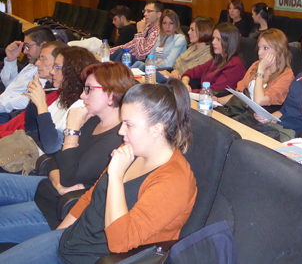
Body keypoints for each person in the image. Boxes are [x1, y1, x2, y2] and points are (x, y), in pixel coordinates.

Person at [0, 81, 197, 264]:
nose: (121, 131)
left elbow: (119, 243)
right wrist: (56, 238)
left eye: (128, 124)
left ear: (156, 130)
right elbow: (90, 197)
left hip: (93, 257)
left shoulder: (174, 182)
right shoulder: (134, 151)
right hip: (71, 240)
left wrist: (116, 177)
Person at [0, 62, 136, 245]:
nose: (82, 95)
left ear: (111, 95)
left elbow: (69, 178)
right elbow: (57, 159)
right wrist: (59, 185)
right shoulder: (93, 121)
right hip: (50, 191)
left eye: (89, 90)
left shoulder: (117, 139)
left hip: (58, 212)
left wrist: (72, 130)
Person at [24, 46, 99, 154]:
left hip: (44, 165)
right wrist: (34, 100)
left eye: (57, 67)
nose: (52, 72)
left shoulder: (82, 105)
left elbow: (52, 146)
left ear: (72, 71)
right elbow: (32, 130)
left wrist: (41, 104)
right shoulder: (64, 96)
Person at [0, 41, 67, 139]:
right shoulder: (48, 87)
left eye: (43, 59)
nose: (37, 63)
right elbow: (11, 88)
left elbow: (29, 132)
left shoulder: (56, 95)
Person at [218, 28, 294, 107]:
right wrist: (217, 101)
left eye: (265, 48)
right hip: (242, 111)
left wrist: (261, 70)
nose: (259, 52)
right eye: (259, 47)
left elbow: (259, 101)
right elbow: (240, 96)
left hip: (258, 117)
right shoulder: (256, 65)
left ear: (279, 50)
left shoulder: (287, 75)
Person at [0, 27, 56, 123]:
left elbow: (26, 99)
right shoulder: (32, 64)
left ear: (43, 45)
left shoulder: (47, 72)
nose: (25, 51)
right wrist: (11, 60)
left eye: (28, 47)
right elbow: (10, 86)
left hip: (8, 114)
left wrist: (1, 105)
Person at [182, 23, 246, 92]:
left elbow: (214, 92)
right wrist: (185, 84)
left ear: (229, 41)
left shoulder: (235, 66)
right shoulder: (218, 59)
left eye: (218, 39)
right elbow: (192, 71)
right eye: (213, 38)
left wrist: (187, 92)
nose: (213, 42)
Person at [131, 10, 187, 76]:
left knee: (141, 67)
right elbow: (149, 59)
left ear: (176, 24)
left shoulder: (180, 38)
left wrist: (153, 64)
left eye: (171, 23)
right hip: (155, 69)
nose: (167, 27)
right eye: (164, 23)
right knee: (138, 64)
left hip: (167, 71)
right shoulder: (162, 38)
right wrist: (156, 63)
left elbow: (169, 63)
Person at [160, 16, 214, 81]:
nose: (188, 32)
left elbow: (195, 77)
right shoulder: (191, 48)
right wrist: (175, 72)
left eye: (192, 30)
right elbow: (177, 65)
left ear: (203, 31)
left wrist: (176, 75)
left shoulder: (208, 56)